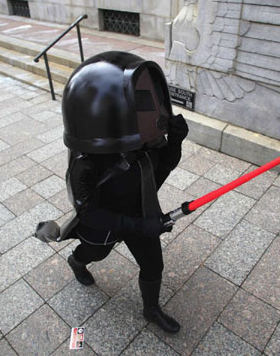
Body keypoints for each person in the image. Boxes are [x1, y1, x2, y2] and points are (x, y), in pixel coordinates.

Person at [58, 51, 189, 333]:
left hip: (138, 211)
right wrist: (140, 225)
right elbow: (90, 212)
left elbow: (160, 171)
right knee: (96, 252)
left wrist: (175, 142)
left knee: (154, 264)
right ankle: (76, 261)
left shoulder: (143, 143)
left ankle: (151, 309)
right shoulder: (85, 163)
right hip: (103, 220)